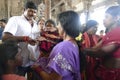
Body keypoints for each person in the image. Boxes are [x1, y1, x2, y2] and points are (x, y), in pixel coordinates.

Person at [33, 11, 81, 80]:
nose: (57, 26)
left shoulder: (64, 47)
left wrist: (37, 68)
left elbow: (53, 79)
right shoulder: (73, 43)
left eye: (58, 23)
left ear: (64, 25)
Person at [2, 1, 40, 77]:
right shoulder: (15, 20)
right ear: (24, 10)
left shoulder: (35, 24)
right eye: (30, 11)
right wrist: (25, 38)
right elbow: (5, 37)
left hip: (32, 60)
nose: (32, 14)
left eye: (35, 12)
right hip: (18, 61)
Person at [84, 6, 120, 80]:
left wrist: (81, 49)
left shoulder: (118, 32)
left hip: (114, 74)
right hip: (105, 72)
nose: (103, 19)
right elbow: (95, 48)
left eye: (106, 17)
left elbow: (100, 52)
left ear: (116, 18)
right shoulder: (109, 34)